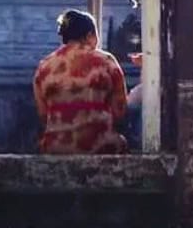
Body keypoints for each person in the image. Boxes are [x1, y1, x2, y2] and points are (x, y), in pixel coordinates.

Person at [33, 9, 128, 154]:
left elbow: (43, 115)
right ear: (90, 35)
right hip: (101, 147)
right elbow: (119, 111)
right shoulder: (106, 62)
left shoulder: (44, 67)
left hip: (56, 148)